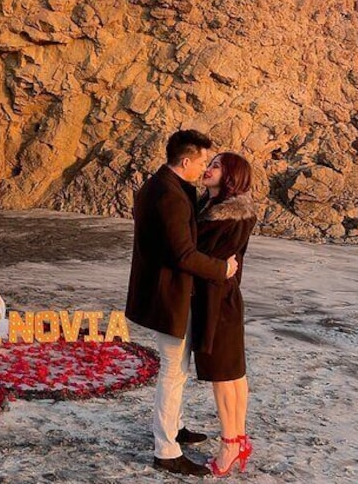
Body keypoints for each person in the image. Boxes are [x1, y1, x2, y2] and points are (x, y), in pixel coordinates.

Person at [125, 130, 239, 477]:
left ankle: (174, 427)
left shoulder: (166, 185)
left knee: (178, 371)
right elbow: (182, 254)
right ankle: (166, 448)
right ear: (186, 161)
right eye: (203, 161)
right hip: (168, 296)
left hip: (166, 292)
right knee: (172, 373)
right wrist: (223, 268)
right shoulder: (169, 196)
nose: (205, 167)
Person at [192, 153, 257, 476]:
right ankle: (239, 438)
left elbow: (194, 256)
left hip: (218, 302)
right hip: (225, 299)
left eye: (216, 166)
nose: (208, 169)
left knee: (223, 376)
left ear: (231, 175)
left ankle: (230, 443)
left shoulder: (228, 218)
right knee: (232, 374)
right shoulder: (214, 210)